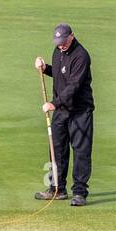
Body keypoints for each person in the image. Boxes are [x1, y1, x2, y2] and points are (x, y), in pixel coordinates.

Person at [33, 23, 94, 206]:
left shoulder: (81, 56)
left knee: (81, 151)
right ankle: (57, 189)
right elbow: (61, 75)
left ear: (72, 36)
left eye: (64, 41)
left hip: (80, 111)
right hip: (61, 111)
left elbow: (74, 86)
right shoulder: (57, 51)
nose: (61, 45)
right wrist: (45, 69)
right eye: (58, 42)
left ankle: (80, 193)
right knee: (57, 148)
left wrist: (53, 103)